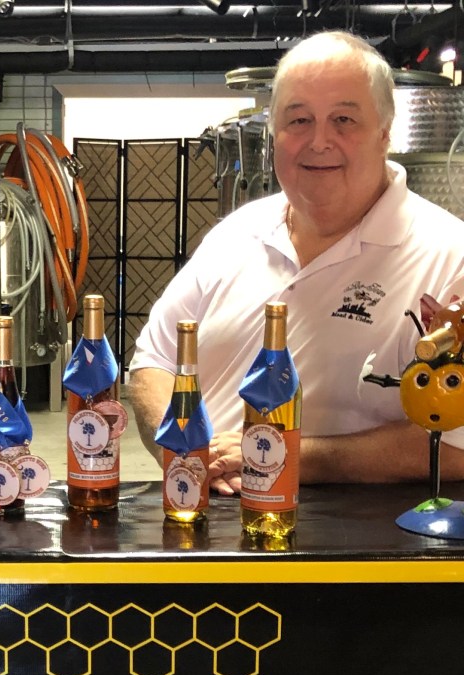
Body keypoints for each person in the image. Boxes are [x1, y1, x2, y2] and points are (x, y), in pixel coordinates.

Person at [129, 30, 464, 495]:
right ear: (274, 134)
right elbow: (155, 359)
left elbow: (456, 446)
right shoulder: (237, 232)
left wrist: (275, 453)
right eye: (299, 120)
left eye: (343, 119)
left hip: (345, 534)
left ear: (385, 132)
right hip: (199, 514)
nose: (319, 141)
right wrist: (183, 449)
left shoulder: (449, 257)